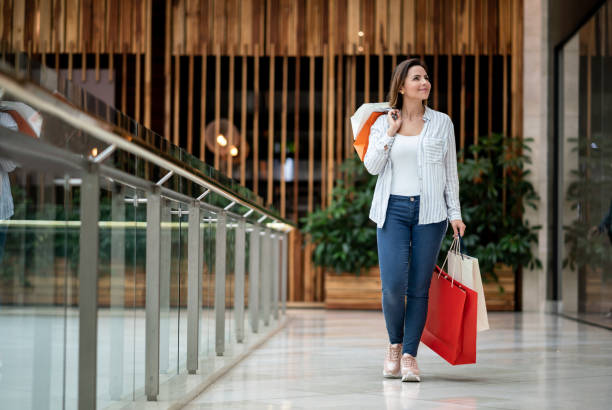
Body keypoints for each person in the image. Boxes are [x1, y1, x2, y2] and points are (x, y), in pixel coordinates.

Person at [363, 58, 466, 382]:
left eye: (426, 77)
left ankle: (409, 356)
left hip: (430, 213)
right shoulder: (383, 122)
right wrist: (390, 133)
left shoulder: (442, 123)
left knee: (419, 288)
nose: (425, 82)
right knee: (393, 286)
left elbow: (450, 173)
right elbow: (372, 166)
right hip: (391, 210)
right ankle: (394, 345)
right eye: (417, 78)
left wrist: (456, 215)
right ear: (401, 86)